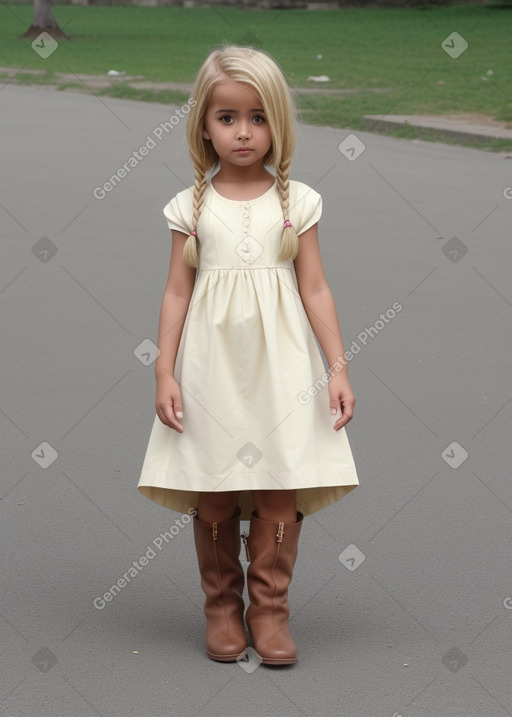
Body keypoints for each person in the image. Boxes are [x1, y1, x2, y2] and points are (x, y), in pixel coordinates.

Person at [137, 45, 359, 666]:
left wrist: (338, 367)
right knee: (213, 488)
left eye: (258, 118)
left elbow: (314, 288)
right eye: (227, 118)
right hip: (210, 372)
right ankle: (221, 608)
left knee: (276, 490)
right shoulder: (190, 207)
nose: (243, 132)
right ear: (203, 126)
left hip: (282, 371)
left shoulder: (298, 203)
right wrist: (164, 370)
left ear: (278, 123)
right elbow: (177, 290)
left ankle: (270, 610)